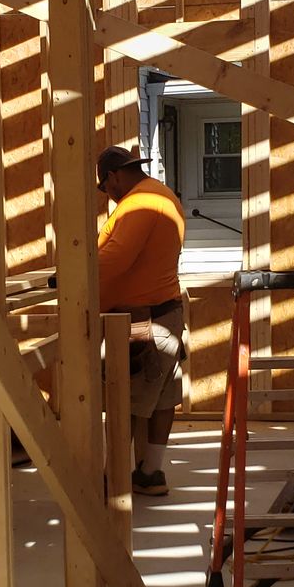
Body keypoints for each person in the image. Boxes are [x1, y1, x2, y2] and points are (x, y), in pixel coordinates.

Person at [95, 145, 187, 496]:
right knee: (161, 399)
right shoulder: (162, 196)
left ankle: (114, 477)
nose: (109, 195)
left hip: (142, 323)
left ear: (114, 177)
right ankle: (150, 473)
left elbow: (115, 258)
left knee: (127, 402)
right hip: (165, 314)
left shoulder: (139, 204)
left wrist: (72, 274)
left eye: (106, 187)